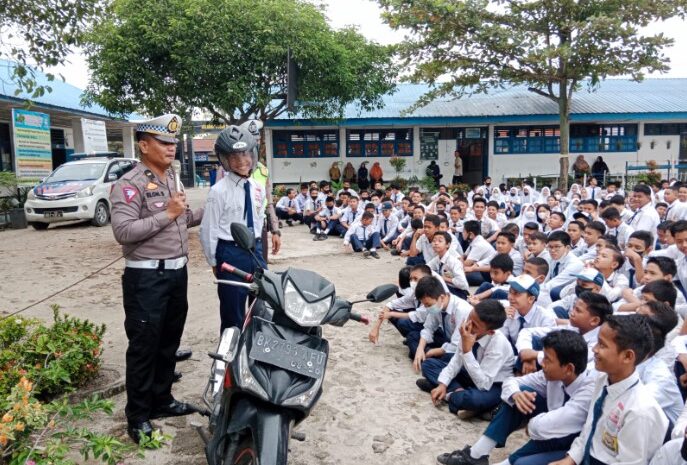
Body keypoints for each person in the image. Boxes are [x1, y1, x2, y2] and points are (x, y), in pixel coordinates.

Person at [110, 114, 204, 443]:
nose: (171, 148)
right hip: (146, 278)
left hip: (177, 273)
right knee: (144, 347)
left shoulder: (171, 180)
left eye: (174, 143)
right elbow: (123, 232)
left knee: (168, 343)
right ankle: (137, 416)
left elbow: (182, 219)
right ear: (144, 145)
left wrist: (213, 209)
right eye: (164, 143)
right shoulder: (128, 184)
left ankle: (161, 400)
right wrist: (168, 214)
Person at [438, 330, 595, 465]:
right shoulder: (551, 375)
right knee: (521, 395)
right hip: (549, 431)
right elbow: (511, 381)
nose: (543, 364)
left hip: (574, 444)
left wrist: (533, 425)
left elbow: (553, 425)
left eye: (548, 359)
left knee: (522, 461)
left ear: (568, 368)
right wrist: (516, 395)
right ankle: (477, 454)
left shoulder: (589, 390)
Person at [549, 315, 669, 465]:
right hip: (586, 456)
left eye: (602, 345)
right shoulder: (602, 380)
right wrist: (571, 459)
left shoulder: (640, 411)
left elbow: (629, 463)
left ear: (627, 356)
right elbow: (589, 428)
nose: (594, 349)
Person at [200, 125, 267, 332]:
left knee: (262, 304)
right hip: (230, 252)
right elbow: (208, 229)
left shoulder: (257, 187)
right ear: (225, 160)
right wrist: (214, 261)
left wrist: (260, 251)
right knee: (233, 311)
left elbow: (258, 219)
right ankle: (230, 359)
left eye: (245, 154)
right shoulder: (218, 191)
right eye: (234, 156)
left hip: (254, 251)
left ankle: (253, 354)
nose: (241, 161)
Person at [426, 300, 515, 420]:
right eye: (469, 318)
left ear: (490, 331)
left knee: (473, 400)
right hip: (471, 375)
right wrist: (443, 384)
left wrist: (467, 351)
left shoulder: (498, 345)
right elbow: (456, 361)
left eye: (475, 325)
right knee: (428, 364)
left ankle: (450, 395)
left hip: (493, 384)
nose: (468, 325)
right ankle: (453, 392)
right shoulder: (468, 330)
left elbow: (483, 384)